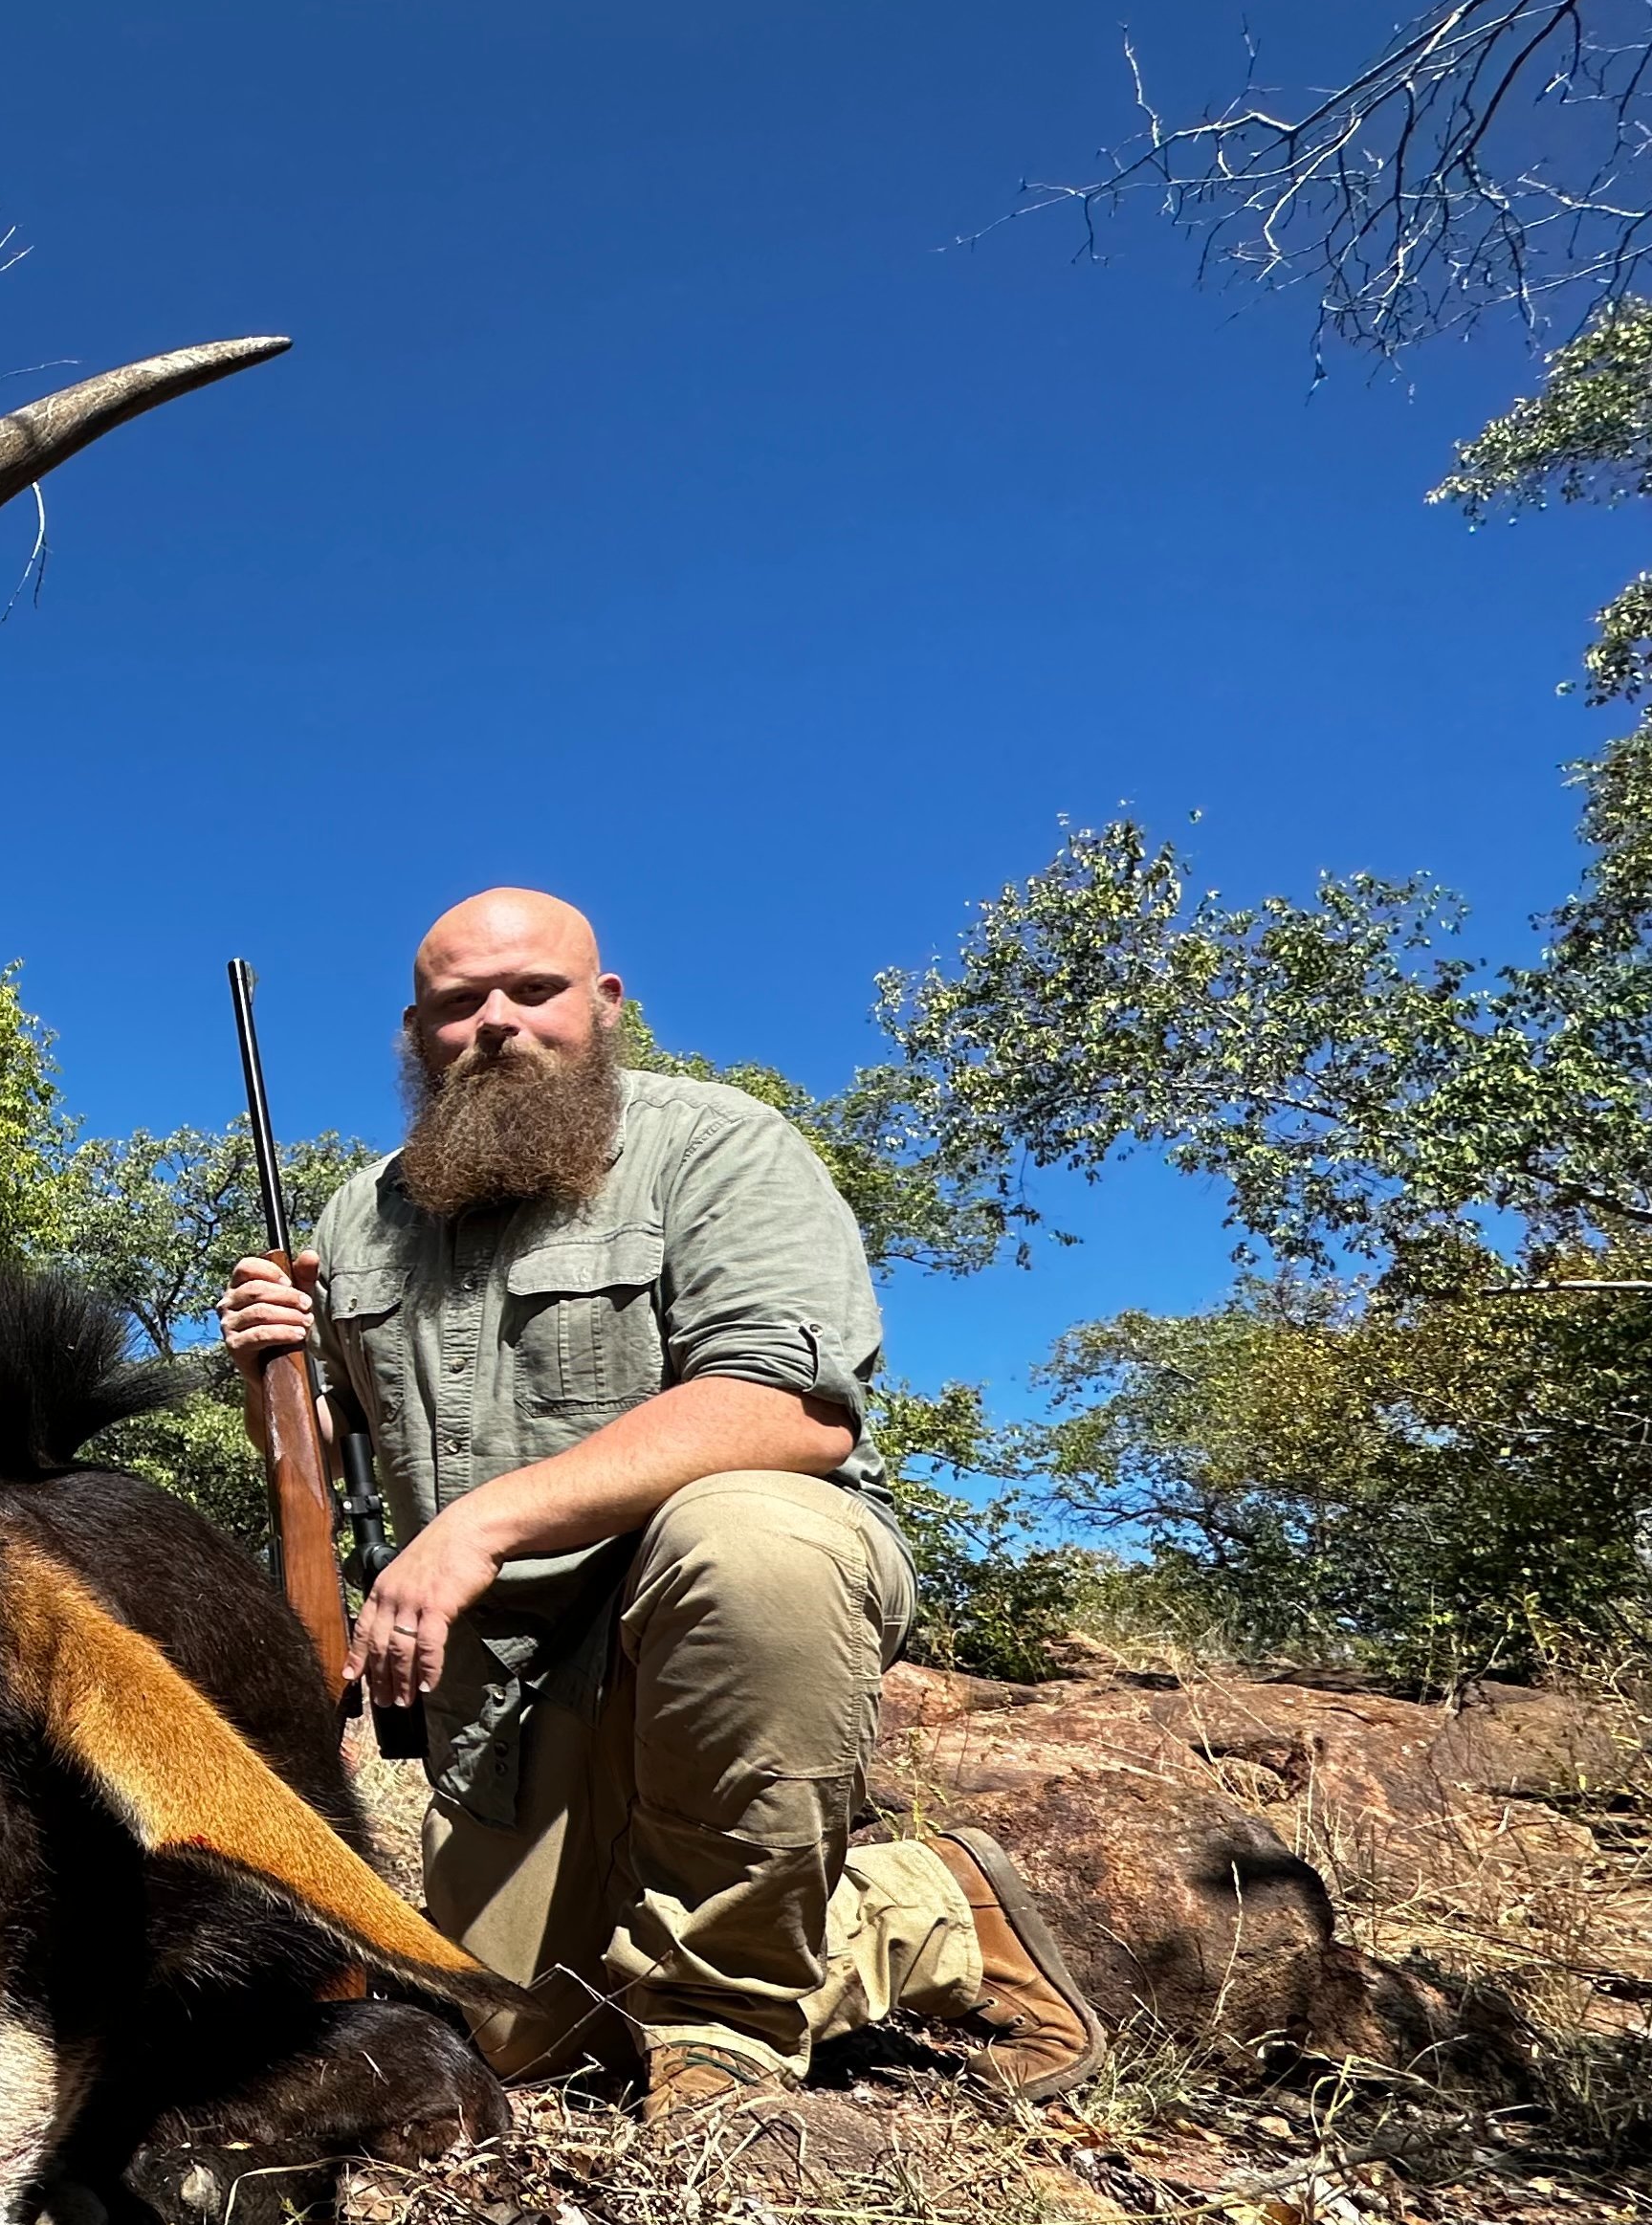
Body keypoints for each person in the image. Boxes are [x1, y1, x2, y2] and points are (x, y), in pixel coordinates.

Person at [214, 886, 1104, 2116]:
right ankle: (932, 1913)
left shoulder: (719, 1144)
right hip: (506, 1712)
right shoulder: (360, 1217)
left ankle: (721, 2034)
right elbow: (347, 1446)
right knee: (512, 2039)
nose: (498, 1025)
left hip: (698, 1631)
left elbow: (790, 1405)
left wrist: (479, 1523)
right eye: (460, 1002)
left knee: (750, 1539)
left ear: (605, 1005)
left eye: (534, 992)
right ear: (417, 1031)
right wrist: (275, 1379)